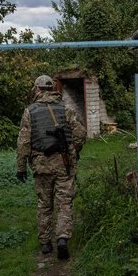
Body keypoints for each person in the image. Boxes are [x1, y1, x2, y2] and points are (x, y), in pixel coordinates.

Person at [15, 74, 87, 259]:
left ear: (37, 89)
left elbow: (23, 142)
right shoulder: (67, 108)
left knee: (44, 204)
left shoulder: (30, 111)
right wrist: (73, 151)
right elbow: (80, 133)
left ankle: (46, 243)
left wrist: (21, 167)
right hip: (65, 164)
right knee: (64, 202)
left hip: (41, 166)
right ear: (52, 88)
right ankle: (62, 238)